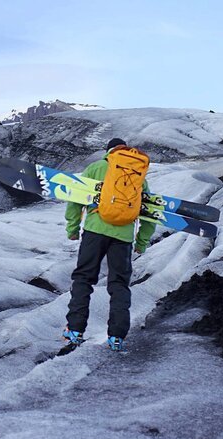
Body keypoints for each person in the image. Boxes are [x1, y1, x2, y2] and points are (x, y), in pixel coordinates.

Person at [63, 138, 156, 351]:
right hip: (123, 237)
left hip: (94, 231)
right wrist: (141, 242)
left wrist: (72, 229)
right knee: (119, 284)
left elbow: (75, 199)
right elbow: (150, 213)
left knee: (83, 278)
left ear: (108, 152)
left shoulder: (96, 167)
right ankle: (116, 337)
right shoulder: (138, 175)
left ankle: (75, 331)